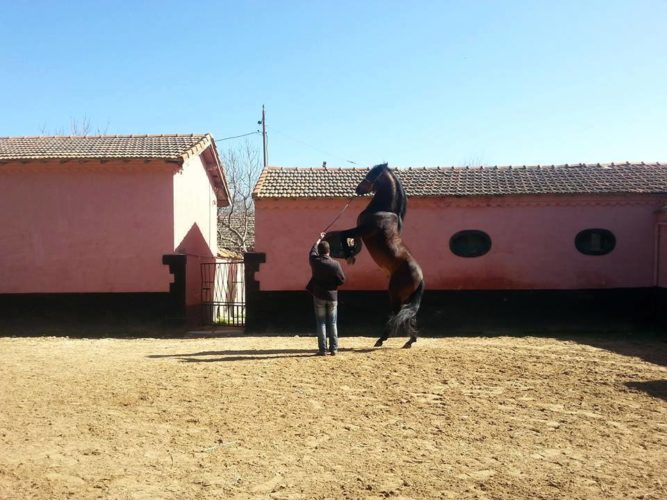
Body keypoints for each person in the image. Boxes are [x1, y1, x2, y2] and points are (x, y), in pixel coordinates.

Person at [306, 232, 346, 355]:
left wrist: (319, 238)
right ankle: (334, 349)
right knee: (333, 322)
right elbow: (342, 280)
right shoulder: (335, 264)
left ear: (320, 251)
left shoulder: (315, 261)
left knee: (321, 322)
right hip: (332, 296)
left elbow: (312, 251)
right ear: (329, 251)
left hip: (318, 295)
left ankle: (322, 349)